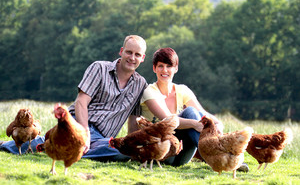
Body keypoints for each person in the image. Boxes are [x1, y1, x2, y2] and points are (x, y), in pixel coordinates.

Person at [0, 35, 147, 161]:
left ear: (143, 58)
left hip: (102, 138)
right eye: (129, 52)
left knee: (123, 151)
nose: (132, 58)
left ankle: (56, 148)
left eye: (137, 54)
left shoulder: (141, 85)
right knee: (88, 145)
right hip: (78, 125)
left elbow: (133, 120)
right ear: (122, 51)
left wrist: (131, 143)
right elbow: (81, 102)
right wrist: (85, 135)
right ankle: (18, 146)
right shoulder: (99, 68)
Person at [138, 47, 249, 172]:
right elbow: (168, 119)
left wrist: (216, 124)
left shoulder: (182, 90)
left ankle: (223, 157)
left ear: (176, 68)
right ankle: (222, 158)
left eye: (169, 66)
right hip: (159, 153)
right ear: (154, 68)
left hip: (181, 156)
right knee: (190, 114)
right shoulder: (150, 92)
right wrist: (194, 124)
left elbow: (202, 113)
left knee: (194, 113)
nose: (165, 70)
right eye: (160, 66)